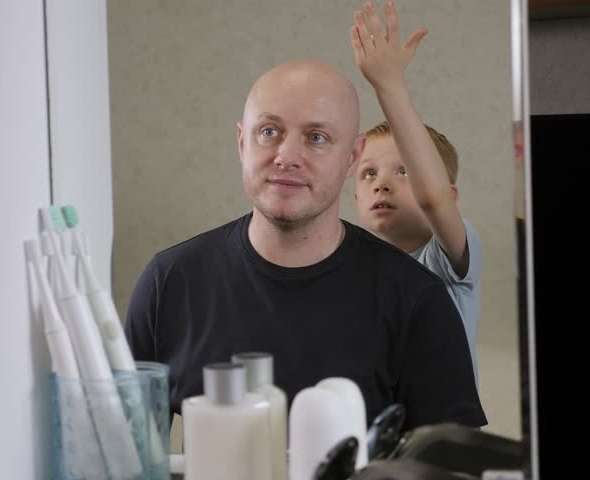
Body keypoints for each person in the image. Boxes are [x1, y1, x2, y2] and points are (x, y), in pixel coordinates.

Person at [124, 23, 486, 432]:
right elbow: (127, 458)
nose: (286, 156)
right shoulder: (168, 283)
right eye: (269, 132)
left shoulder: (417, 299)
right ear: (243, 143)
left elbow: (450, 466)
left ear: (351, 158)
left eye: (316, 137)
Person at [349, 0, 482, 385]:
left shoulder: (446, 260)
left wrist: (388, 84)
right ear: (356, 197)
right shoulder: (353, 269)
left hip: (439, 436)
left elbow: (431, 199)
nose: (381, 182)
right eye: (368, 173)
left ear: (449, 194)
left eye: (403, 171)